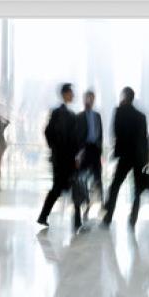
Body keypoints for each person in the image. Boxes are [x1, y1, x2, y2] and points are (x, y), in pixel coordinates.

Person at [37, 83, 82, 229]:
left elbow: (48, 132)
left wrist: (54, 149)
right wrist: (72, 155)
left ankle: (45, 216)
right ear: (65, 94)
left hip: (60, 158)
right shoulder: (67, 115)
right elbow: (72, 139)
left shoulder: (58, 113)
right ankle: (76, 222)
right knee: (68, 188)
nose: (73, 95)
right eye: (71, 93)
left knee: (59, 188)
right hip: (66, 159)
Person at [102, 87, 149, 227]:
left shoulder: (119, 112)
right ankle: (133, 218)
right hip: (139, 156)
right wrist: (146, 159)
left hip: (125, 156)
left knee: (115, 185)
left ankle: (109, 216)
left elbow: (115, 132)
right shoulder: (141, 116)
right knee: (137, 190)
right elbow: (144, 139)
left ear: (124, 96)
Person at [76, 90, 103, 204]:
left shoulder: (97, 116)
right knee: (82, 176)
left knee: (97, 175)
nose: (90, 100)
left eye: (92, 98)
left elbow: (100, 133)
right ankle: (84, 199)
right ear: (83, 100)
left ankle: (101, 200)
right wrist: (78, 153)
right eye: (87, 98)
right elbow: (76, 135)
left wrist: (100, 147)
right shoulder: (79, 116)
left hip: (95, 148)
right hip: (84, 149)